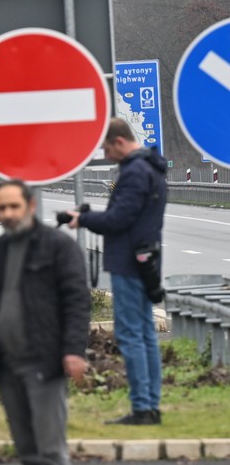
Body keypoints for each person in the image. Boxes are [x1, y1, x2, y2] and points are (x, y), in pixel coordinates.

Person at [68, 118, 167, 425]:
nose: (108, 156)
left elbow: (117, 220)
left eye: (109, 149)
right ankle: (150, 405)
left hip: (128, 263)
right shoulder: (152, 168)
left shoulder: (135, 172)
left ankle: (141, 408)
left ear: (120, 142)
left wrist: (82, 220)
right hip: (145, 261)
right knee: (146, 334)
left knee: (131, 335)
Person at [0, 180, 90, 465]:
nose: (8, 214)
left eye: (14, 206)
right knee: (26, 451)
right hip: (7, 366)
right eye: (2, 208)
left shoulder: (57, 247)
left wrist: (73, 350)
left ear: (30, 206)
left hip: (43, 362)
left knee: (50, 452)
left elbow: (77, 301)